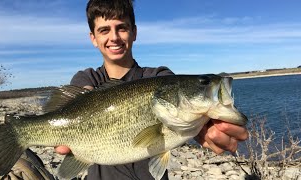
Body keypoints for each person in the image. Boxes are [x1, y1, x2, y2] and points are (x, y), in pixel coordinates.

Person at [54, 0, 249, 179]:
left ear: (134, 32)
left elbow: (183, 113)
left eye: (122, 28)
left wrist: (206, 127)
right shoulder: (87, 79)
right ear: (93, 38)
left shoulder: (160, 78)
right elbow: (80, 97)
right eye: (104, 30)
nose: (114, 37)